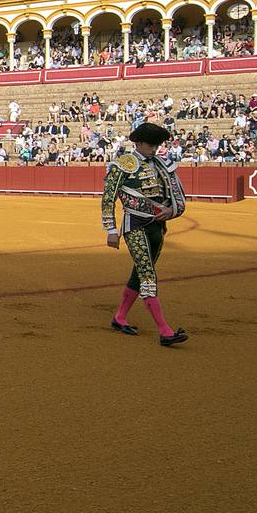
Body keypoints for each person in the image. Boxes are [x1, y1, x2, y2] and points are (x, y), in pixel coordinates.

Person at [101, 122, 189, 346]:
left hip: (158, 227)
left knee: (139, 274)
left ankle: (119, 317)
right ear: (138, 143)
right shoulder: (123, 164)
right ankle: (165, 331)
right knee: (148, 274)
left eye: (157, 145)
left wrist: (172, 211)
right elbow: (108, 198)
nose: (155, 149)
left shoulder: (162, 164)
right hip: (135, 225)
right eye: (151, 144)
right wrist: (111, 229)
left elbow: (177, 195)